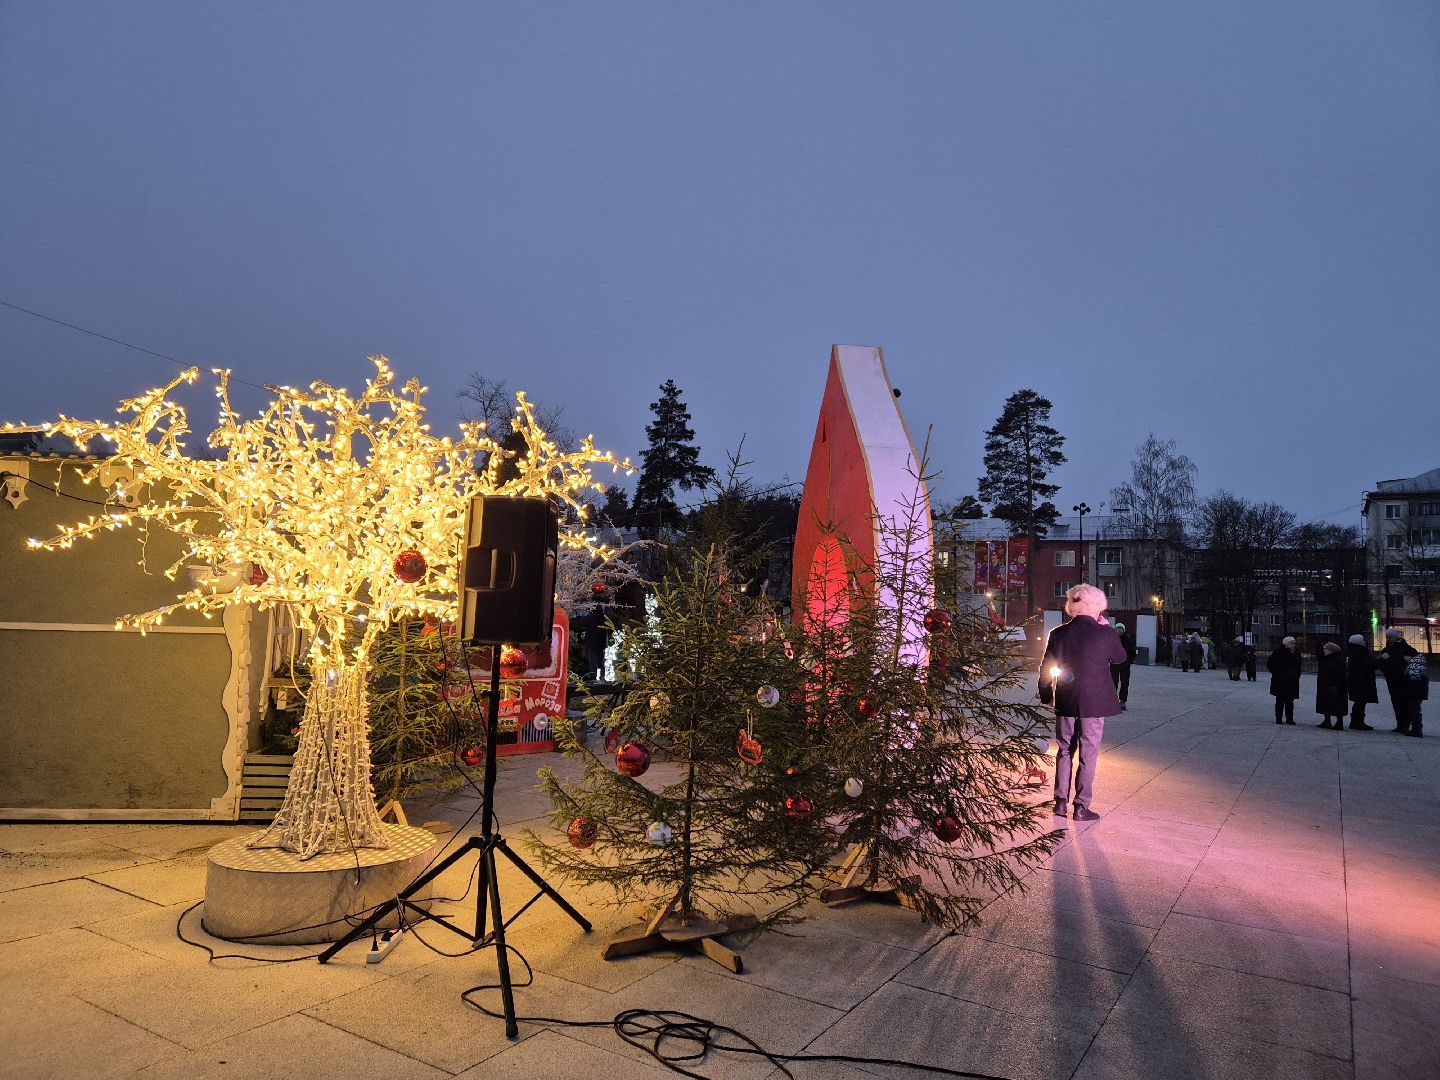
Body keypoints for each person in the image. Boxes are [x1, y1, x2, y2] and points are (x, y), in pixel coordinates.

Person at [1038, 584, 1126, 821]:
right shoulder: (1105, 633)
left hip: (1066, 699)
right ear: (1096, 607)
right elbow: (1120, 658)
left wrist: (1046, 694)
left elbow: (1046, 666)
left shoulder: (1058, 633)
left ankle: (1059, 802)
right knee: (1089, 752)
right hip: (1094, 702)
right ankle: (1081, 806)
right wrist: (1107, 629)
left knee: (1064, 749)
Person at [1377, 628, 1427, 737]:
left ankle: (1407, 725)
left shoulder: (1407, 649)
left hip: (1404, 681)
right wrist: (1384, 668)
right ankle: (1401, 725)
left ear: (1397, 637)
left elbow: (1415, 663)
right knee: (1396, 703)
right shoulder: (1386, 649)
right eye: (1387, 637)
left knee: (1406, 704)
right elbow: (1382, 662)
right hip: (1392, 680)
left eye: (1390, 637)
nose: (1389, 639)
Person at [1345, 633, 1377, 731]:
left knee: (1359, 702)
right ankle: (1357, 722)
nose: (1365, 641)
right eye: (1363, 640)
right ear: (1359, 642)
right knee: (1360, 701)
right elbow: (1367, 665)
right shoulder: (1359, 652)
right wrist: (1380, 661)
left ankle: (1356, 722)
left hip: (1357, 680)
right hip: (1360, 681)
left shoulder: (1354, 651)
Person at [1267, 636, 1301, 725]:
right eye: (1291, 643)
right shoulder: (1278, 653)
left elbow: (1298, 666)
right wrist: (1277, 674)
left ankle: (1289, 718)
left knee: (1290, 701)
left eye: (1294, 643)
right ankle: (1278, 718)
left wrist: (1297, 676)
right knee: (1280, 701)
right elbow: (1270, 664)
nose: (1294, 645)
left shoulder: (1296, 653)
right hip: (1280, 681)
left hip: (1292, 681)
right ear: (1286, 644)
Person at [1315, 641, 1348, 729]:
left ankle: (1339, 722)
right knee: (1326, 704)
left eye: (1326, 649)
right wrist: (1319, 646)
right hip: (1325, 685)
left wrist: (1336, 685)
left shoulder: (1337, 660)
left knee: (1337, 705)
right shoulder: (1325, 659)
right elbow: (1319, 654)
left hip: (1334, 686)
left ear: (1332, 651)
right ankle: (1327, 721)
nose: (1324, 651)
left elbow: (1341, 675)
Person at [1111, 621, 1136, 710]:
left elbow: (1132, 652)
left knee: (1125, 684)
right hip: (1114, 666)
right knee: (1113, 684)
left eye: (1121, 629)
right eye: (1117, 629)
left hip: (1125, 666)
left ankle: (1122, 701)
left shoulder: (1128, 641)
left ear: (1123, 631)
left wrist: (1129, 661)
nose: (1119, 631)